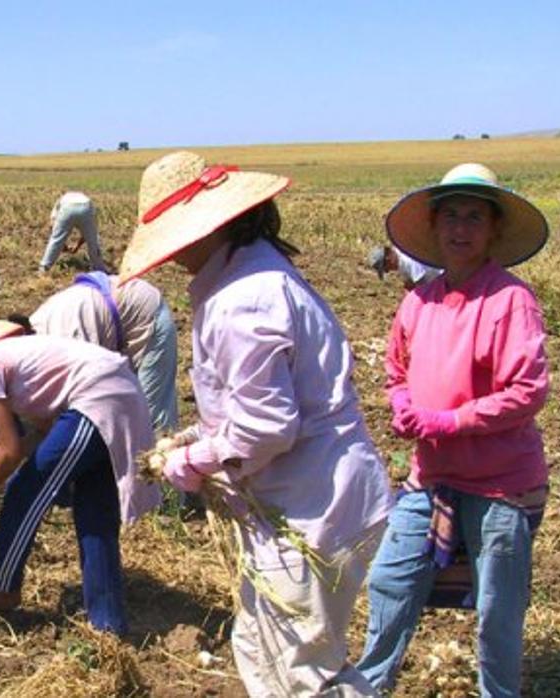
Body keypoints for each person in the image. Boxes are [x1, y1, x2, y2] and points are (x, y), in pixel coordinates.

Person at [122, 151, 393, 696]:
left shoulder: (242, 300)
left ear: (208, 228)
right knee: (260, 647)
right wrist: (198, 435)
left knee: (300, 673)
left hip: (311, 507)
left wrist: (190, 461)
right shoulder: (256, 277)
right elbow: (256, 407)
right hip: (314, 498)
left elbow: (267, 428)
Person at [357, 163, 551, 698]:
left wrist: (446, 421)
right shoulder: (418, 300)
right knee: (389, 581)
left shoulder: (511, 301)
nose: (460, 228)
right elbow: (396, 369)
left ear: (492, 231)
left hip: (500, 485)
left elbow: (526, 392)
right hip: (431, 478)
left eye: (473, 217)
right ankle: (368, 686)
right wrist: (400, 403)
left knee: (496, 611)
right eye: (450, 216)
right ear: (435, 227)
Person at [0, 297, 161, 635]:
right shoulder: (6, 353)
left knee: (24, 488)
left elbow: (8, 451)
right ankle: (107, 622)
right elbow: (37, 434)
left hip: (95, 401)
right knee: (93, 512)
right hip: (117, 396)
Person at [28, 272, 178, 431]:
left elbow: (91, 390)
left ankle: (165, 451)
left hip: (146, 314)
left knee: (149, 416)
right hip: (116, 322)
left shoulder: (66, 338)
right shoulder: (38, 327)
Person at [40, 191, 106, 273]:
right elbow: (89, 233)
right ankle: (99, 269)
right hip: (86, 206)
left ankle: (44, 268)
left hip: (67, 208)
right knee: (93, 241)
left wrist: (62, 245)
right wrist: (77, 246)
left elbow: (53, 227)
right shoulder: (87, 200)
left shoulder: (60, 201)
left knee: (55, 240)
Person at [367, 244, 441, 289]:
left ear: (388, 255)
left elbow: (422, 285)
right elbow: (409, 284)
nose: (388, 271)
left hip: (444, 279)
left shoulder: (407, 257)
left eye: (386, 267)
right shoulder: (399, 261)